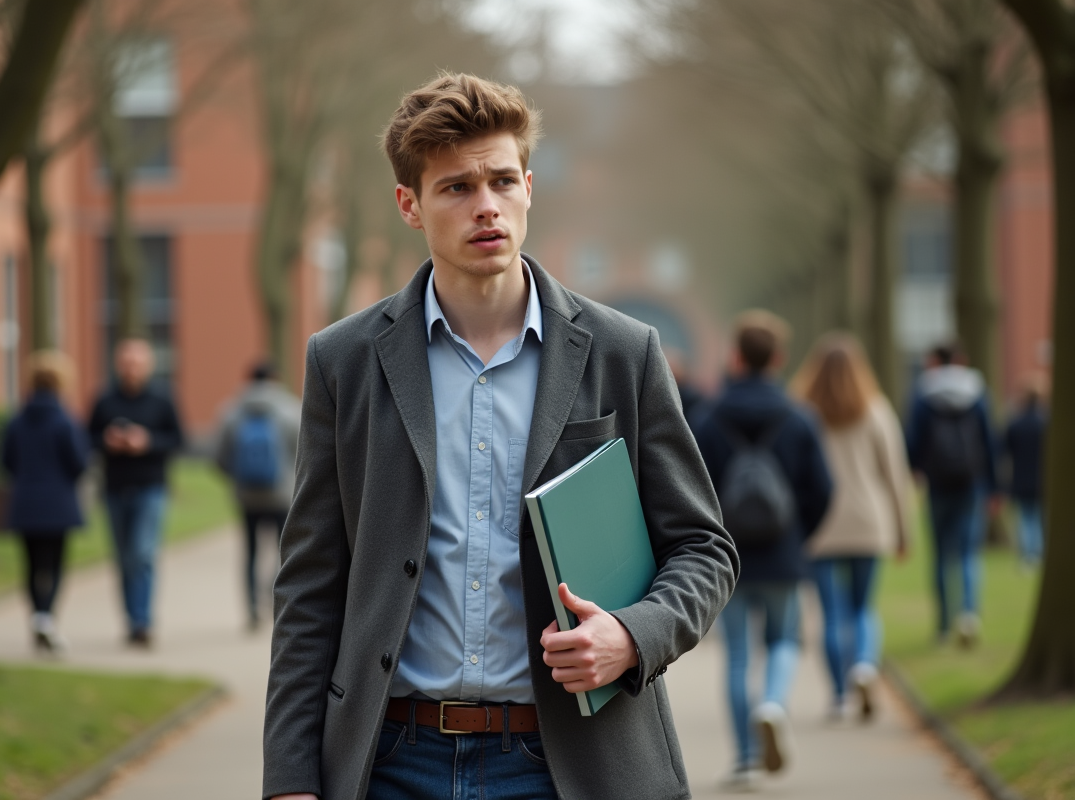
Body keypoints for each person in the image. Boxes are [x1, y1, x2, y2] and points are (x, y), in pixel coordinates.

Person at [262, 73, 738, 800]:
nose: (485, 206)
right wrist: (290, 778)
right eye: (455, 187)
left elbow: (705, 549)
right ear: (409, 205)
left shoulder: (623, 352)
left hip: (571, 763)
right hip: (391, 761)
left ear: (528, 187)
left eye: (501, 180)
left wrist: (632, 635)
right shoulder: (344, 361)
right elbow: (310, 585)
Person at [693, 310, 833, 788]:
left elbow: (690, 488)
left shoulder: (709, 418)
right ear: (778, 358)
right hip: (782, 554)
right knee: (784, 640)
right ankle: (773, 703)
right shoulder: (799, 417)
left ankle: (747, 759)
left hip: (727, 557)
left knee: (735, 656)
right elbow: (823, 488)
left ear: (734, 356)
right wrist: (799, 533)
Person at [789, 333, 912, 723]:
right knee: (863, 608)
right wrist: (903, 531)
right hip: (869, 523)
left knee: (831, 614)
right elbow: (896, 475)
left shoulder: (803, 412)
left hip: (821, 527)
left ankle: (840, 695)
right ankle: (863, 664)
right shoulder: (876, 410)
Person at [88, 338, 184, 648]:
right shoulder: (104, 400)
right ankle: (130, 620)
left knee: (142, 554)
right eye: (126, 363)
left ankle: (142, 622)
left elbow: (179, 441)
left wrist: (148, 442)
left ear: (147, 367)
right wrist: (108, 441)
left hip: (151, 487)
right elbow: (87, 438)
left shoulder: (162, 399)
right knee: (123, 559)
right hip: (115, 488)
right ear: (118, 365)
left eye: (137, 364)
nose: (131, 369)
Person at [904, 342, 998, 647]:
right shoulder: (978, 392)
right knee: (969, 552)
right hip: (972, 482)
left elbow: (913, 441)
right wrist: (995, 486)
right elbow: (989, 441)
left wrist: (914, 470)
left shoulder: (923, 394)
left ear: (933, 361)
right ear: (960, 360)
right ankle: (969, 614)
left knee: (942, 555)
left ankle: (944, 624)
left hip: (938, 483)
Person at [0, 351, 89, 653]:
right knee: (55, 564)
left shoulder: (17, 420)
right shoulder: (65, 421)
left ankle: (37, 617)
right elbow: (79, 462)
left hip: (25, 501)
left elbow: (7, 461)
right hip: (58, 503)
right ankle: (47, 617)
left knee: (31, 563)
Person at [212, 362, 301, 629]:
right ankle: (275, 600)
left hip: (247, 495)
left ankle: (251, 608)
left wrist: (238, 478)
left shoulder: (231, 411)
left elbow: (220, 458)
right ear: (275, 378)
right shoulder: (291, 409)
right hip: (282, 494)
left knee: (250, 551)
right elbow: (304, 454)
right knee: (282, 551)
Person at [1002, 375, 1047, 567]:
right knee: (1038, 517)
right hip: (1043, 479)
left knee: (1026, 518)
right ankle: (1037, 553)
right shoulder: (1047, 422)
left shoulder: (1016, 423)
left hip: (1021, 478)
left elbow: (1004, 449)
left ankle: (1028, 555)